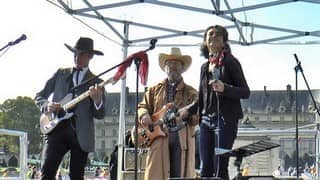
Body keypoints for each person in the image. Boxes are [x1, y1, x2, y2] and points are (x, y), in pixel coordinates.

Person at [178, 25, 250, 179]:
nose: (214, 36)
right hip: (205, 121)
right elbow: (202, 97)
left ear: (224, 41)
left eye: (218, 35)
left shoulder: (230, 62)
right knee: (205, 168)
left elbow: (245, 91)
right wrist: (188, 110)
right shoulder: (205, 67)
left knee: (220, 167)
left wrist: (225, 88)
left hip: (225, 121)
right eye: (210, 34)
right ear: (205, 41)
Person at [34, 37, 106, 179]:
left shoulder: (98, 82)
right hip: (56, 128)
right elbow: (39, 96)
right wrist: (47, 105)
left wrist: (97, 100)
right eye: (75, 53)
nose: (76, 57)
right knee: (47, 172)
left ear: (90, 56)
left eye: (81, 54)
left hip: (81, 134)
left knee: (76, 176)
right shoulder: (61, 73)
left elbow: (100, 114)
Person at [137, 47, 199, 179]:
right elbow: (142, 106)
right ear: (165, 67)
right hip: (158, 139)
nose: (172, 67)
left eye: (176, 64)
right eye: (169, 64)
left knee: (179, 174)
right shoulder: (154, 90)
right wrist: (144, 115)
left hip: (181, 140)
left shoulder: (191, 92)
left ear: (182, 68)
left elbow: (197, 115)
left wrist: (186, 116)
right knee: (157, 174)